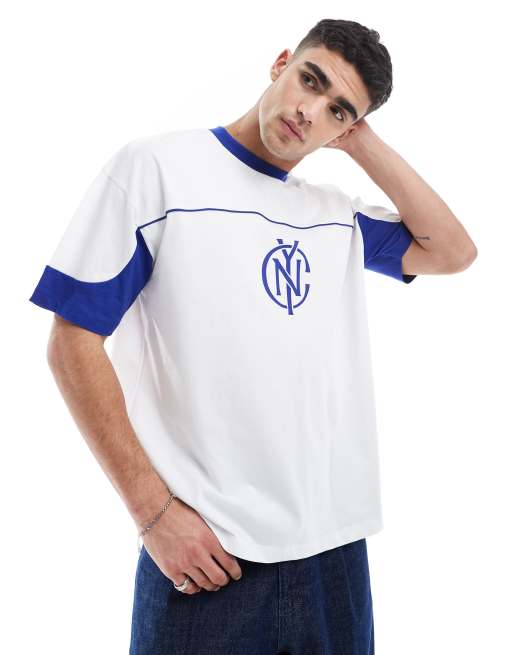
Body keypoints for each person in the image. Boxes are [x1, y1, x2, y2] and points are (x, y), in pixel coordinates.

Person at [28, 17, 477, 655]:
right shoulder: (158, 170)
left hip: (333, 554)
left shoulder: (333, 215)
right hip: (208, 554)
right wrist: (153, 514)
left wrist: (360, 142)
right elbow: (72, 340)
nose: (309, 111)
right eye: (310, 80)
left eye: (337, 110)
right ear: (281, 62)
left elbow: (453, 251)